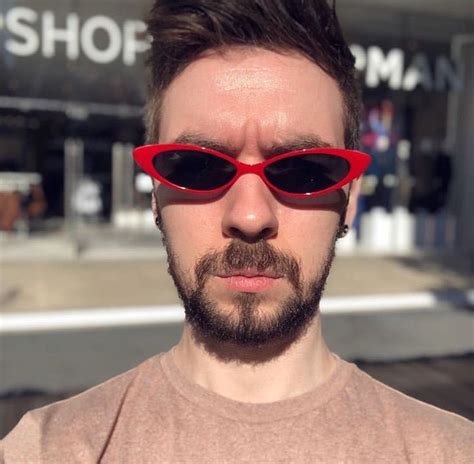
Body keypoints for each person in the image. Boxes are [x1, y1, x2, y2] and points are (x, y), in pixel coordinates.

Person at [1, 1, 472, 462]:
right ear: (155, 196)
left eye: (304, 170)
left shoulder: (450, 450)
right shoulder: (47, 449)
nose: (250, 217)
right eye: (198, 167)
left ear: (348, 198)